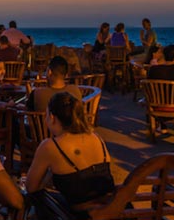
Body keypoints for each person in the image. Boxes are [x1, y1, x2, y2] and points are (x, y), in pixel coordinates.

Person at [26, 92, 115, 220]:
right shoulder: (96, 138)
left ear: (52, 117)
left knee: (35, 199)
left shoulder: (50, 146)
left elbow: (31, 187)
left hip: (82, 214)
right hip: (110, 208)